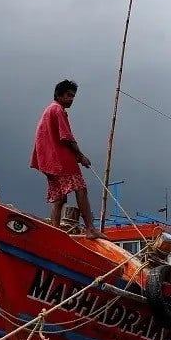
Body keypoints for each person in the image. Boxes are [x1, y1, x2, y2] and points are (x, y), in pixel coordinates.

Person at [30, 79, 105, 239]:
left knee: (59, 198)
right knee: (81, 189)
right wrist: (80, 155)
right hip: (60, 161)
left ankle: (54, 232)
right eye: (69, 95)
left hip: (48, 162)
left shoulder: (49, 110)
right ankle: (91, 229)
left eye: (73, 96)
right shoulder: (58, 110)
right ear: (59, 95)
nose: (71, 99)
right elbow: (66, 137)